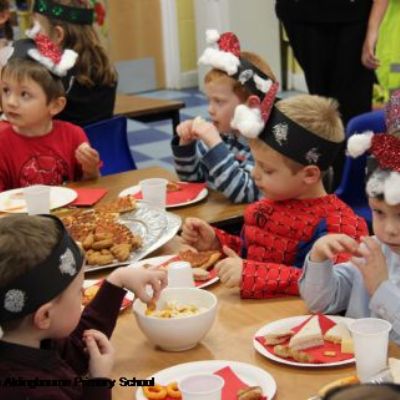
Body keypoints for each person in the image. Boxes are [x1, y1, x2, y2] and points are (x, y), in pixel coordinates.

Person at [181, 94, 368, 299]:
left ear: (309, 174)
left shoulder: (340, 224)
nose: (254, 173)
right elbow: (252, 253)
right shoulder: (269, 204)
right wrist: (217, 243)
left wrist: (251, 273)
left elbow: (335, 287)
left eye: (267, 169)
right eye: (255, 162)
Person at [0, 214, 167, 399]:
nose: (83, 293)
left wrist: (118, 281)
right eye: (79, 290)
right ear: (45, 316)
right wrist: (98, 383)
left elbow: (76, 351)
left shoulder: (36, 342)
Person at [299, 128, 400, 344]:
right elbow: (321, 304)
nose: (390, 229)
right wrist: (319, 258)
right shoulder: (373, 251)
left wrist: (382, 289)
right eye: (379, 212)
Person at [275, 0, 389, 188]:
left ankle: (351, 189)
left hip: (354, 17)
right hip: (302, 15)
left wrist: (372, 31)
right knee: (322, 112)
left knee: (352, 114)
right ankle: (329, 188)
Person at [172, 30, 279, 203]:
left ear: (251, 105)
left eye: (219, 102)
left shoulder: (263, 145)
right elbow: (192, 180)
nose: (210, 110)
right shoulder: (223, 133)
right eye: (209, 100)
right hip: (215, 213)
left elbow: (244, 193)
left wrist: (215, 145)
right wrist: (186, 145)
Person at [0, 31, 100, 191]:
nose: (10, 102)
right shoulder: (2, 142)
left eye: (24, 94)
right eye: (6, 90)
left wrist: (90, 170)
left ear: (55, 106)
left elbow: (89, 186)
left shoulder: (73, 136)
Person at [32, 0, 117, 126]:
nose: (33, 36)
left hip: (62, 139)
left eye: (37, 30)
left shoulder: (50, 79)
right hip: (101, 139)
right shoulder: (105, 69)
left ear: (58, 35)